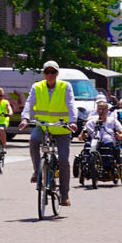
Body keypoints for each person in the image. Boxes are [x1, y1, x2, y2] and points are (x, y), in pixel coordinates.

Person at [23, 60, 76, 205]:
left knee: (64, 160)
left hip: (62, 128)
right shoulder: (37, 86)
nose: (50, 74)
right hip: (43, 126)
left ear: (57, 73)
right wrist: (25, 118)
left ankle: (64, 194)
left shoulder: (65, 86)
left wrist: (72, 121)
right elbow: (29, 103)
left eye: (53, 72)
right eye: (47, 72)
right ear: (43, 73)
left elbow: (71, 104)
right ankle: (37, 171)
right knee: (33, 140)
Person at [80, 96, 122, 178]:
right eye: (99, 109)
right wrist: (83, 136)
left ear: (107, 110)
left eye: (103, 109)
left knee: (107, 145)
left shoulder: (113, 121)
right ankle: (88, 167)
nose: (101, 111)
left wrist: (119, 136)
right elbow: (80, 137)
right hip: (94, 143)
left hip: (108, 142)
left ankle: (107, 168)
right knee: (87, 145)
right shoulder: (91, 122)